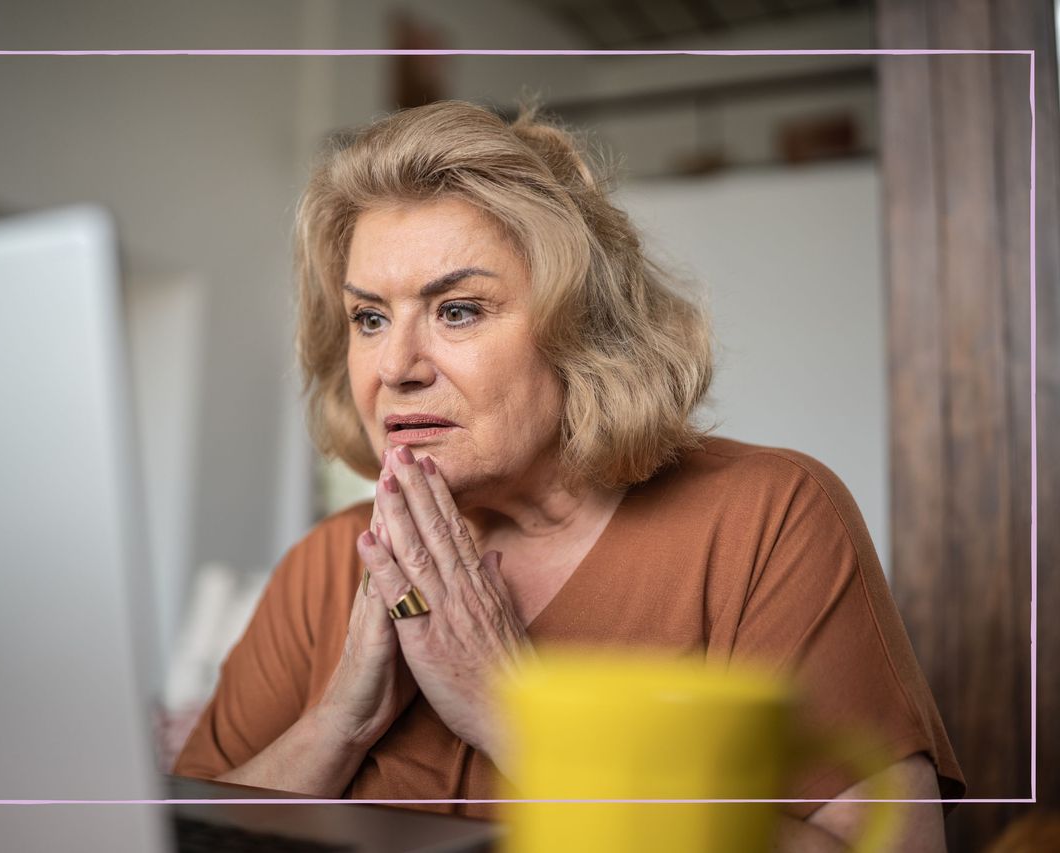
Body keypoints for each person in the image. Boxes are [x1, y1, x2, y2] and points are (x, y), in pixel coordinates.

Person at [174, 100, 964, 849]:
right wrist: (332, 729)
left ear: (581, 330)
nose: (395, 366)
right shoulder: (328, 564)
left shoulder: (766, 521)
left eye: (457, 311)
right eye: (370, 318)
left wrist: (519, 716)